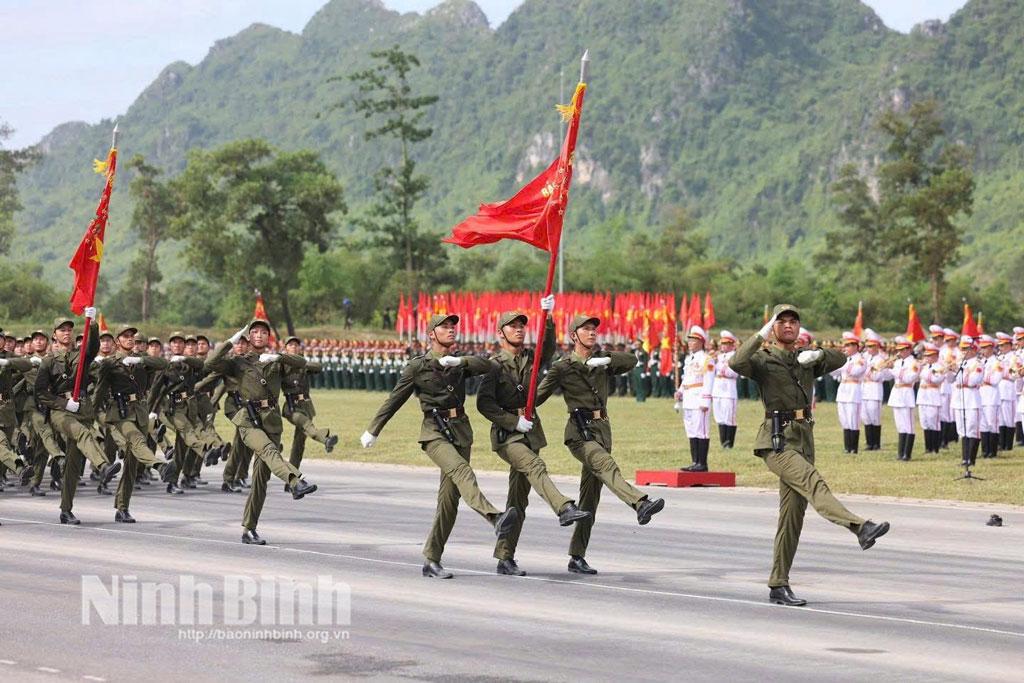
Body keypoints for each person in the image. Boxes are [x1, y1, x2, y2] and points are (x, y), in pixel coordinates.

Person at [729, 304, 890, 607]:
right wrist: (761, 333)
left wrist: (818, 355)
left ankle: (778, 584)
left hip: (804, 440)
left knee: (792, 518)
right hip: (777, 441)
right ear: (773, 328)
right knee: (813, 482)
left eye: (794, 321)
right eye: (782, 322)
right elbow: (736, 361)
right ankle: (860, 527)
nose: (789, 325)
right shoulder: (763, 359)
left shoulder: (805, 359)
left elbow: (842, 358)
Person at [360, 313, 518, 579]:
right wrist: (373, 430)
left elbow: (489, 366)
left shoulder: (459, 362)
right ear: (431, 333)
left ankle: (431, 560)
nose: (451, 329)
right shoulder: (417, 366)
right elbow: (394, 399)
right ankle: (494, 517)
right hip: (434, 433)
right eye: (444, 327)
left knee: (448, 502)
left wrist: (460, 361)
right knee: (462, 471)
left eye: (452, 326)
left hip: (460, 432)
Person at [535, 314, 665, 575]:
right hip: (579, 434)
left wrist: (607, 360)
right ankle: (640, 503)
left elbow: (632, 360)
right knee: (606, 465)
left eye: (594, 329)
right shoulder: (562, 367)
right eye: (586, 329)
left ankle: (576, 556)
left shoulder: (602, 361)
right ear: (574, 335)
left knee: (589, 501)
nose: (592, 332)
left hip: (602, 432)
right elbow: (537, 397)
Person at [476, 301, 592, 577]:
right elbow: (484, 404)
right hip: (508, 436)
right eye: (512, 326)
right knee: (535, 466)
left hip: (530, 433)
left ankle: (505, 557)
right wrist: (512, 421)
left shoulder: (532, 358)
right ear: (500, 333)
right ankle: (563, 507)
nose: (519, 330)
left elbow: (547, 346)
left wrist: (548, 317)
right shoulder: (494, 365)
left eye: (521, 326)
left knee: (518, 501)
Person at [205, 319, 319, 545]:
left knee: (260, 480)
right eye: (254, 332)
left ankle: (249, 529)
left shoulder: (276, 361)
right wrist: (230, 342)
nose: (259, 335)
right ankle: (295, 480)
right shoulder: (238, 362)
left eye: (263, 332)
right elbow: (210, 363)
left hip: (272, 421)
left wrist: (280, 357)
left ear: (268, 337)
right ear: (248, 338)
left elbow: (302, 362)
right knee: (268, 450)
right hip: (249, 420)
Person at [34, 311, 121, 524]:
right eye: (62, 330)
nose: (67, 333)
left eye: (69, 330)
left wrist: (92, 325)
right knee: (83, 433)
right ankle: (103, 466)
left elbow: (93, 347)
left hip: (82, 409)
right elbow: (41, 392)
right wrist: (64, 403)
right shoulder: (48, 361)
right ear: (54, 335)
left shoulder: (80, 355)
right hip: (60, 412)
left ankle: (65, 510)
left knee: (73, 466)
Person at [92, 324, 178, 522]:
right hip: (120, 413)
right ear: (117, 341)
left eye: (132, 336)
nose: (130, 339)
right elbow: (100, 390)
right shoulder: (109, 363)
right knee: (138, 440)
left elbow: (164, 364)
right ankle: (159, 465)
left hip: (139, 412)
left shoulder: (141, 361)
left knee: (131, 464)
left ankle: (122, 508)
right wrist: (91, 415)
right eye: (125, 336)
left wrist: (139, 359)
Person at [281, 335, 338, 472]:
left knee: (299, 443)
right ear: (285, 348)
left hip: (306, 405)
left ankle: (293, 476)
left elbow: (319, 367)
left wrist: (300, 363)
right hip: (292, 406)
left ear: (300, 348)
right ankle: (325, 439)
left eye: (296, 345)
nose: (294, 347)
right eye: (290, 345)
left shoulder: (303, 363)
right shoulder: (281, 365)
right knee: (306, 423)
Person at [676, 326, 714, 472]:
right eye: (689, 340)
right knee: (691, 430)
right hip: (688, 398)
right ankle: (694, 461)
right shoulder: (689, 359)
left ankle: (702, 463)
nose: (690, 343)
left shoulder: (706, 359)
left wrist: (705, 400)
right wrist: (680, 391)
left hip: (699, 398)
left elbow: (708, 381)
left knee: (701, 431)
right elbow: (687, 378)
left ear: (700, 342)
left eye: (693, 340)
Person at [950, 336, 983, 467]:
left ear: (973, 350)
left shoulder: (977, 364)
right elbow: (949, 380)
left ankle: (971, 459)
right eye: (962, 349)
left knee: (972, 428)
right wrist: (950, 371)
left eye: (966, 349)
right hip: (959, 397)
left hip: (971, 398)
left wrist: (958, 373)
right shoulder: (960, 363)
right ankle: (965, 459)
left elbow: (973, 380)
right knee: (962, 429)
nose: (963, 352)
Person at [831, 331, 866, 454]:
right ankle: (847, 447)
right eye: (845, 345)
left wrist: (843, 363)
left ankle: (853, 447)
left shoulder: (860, 359)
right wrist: (833, 363)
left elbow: (855, 371)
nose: (845, 348)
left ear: (855, 346)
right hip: (843, 390)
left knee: (853, 419)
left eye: (848, 345)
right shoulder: (846, 359)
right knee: (844, 418)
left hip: (853, 390)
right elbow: (833, 373)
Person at [887, 336, 919, 461]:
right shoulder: (897, 363)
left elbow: (908, 378)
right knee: (900, 424)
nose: (900, 352)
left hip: (906, 393)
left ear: (909, 349)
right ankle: (900, 452)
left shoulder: (914, 363)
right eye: (899, 350)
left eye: (903, 349)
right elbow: (890, 376)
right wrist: (888, 368)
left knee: (908, 425)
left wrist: (893, 370)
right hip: (897, 393)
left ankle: (907, 453)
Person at [711, 330, 739, 449]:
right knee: (719, 416)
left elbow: (734, 373)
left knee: (729, 416)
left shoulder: (735, 356)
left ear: (732, 344)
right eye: (722, 343)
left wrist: (723, 370)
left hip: (728, 388)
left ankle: (729, 443)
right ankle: (723, 442)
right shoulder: (718, 356)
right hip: (717, 388)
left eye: (726, 344)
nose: (723, 346)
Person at [860, 330, 887, 450]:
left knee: (874, 417)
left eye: (871, 346)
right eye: (868, 346)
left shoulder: (880, 359)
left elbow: (877, 376)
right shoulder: (864, 358)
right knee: (865, 417)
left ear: (877, 346)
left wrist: (869, 372)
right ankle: (869, 443)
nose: (868, 348)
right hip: (864, 389)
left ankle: (876, 443)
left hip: (874, 390)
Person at [917, 343, 944, 454]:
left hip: (933, 396)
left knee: (933, 422)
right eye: (926, 356)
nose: (927, 358)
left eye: (930, 356)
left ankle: (935, 447)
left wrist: (924, 373)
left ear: (936, 356)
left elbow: (936, 379)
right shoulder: (925, 367)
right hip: (923, 396)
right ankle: (928, 447)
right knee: (925, 422)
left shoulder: (939, 367)